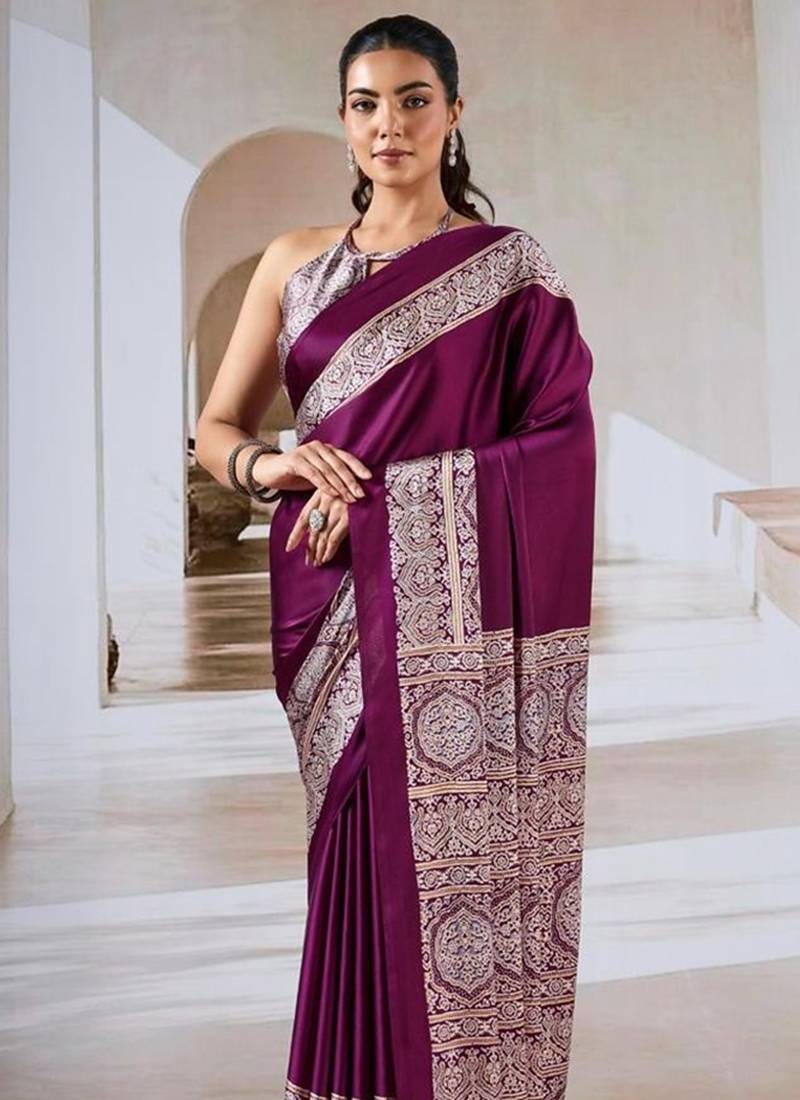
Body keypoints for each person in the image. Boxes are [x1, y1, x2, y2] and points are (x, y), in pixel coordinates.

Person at [195, 13, 596, 1100]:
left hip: (443, 617)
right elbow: (217, 428)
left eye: (414, 100)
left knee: (443, 851)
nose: (390, 124)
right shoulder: (293, 263)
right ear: (342, 120)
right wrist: (276, 466)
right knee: (351, 851)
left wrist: (387, 505)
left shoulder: (508, 269)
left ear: (454, 113)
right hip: (324, 599)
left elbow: (558, 447)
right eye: (366, 104)